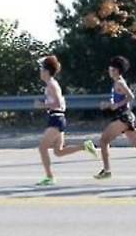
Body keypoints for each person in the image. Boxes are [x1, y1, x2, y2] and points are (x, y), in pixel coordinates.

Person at [34, 56, 97, 186]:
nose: (40, 72)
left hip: (56, 118)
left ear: (46, 71)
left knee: (42, 148)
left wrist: (42, 106)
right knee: (58, 151)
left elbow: (57, 102)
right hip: (58, 118)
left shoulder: (51, 84)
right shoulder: (51, 84)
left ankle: (49, 177)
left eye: (41, 69)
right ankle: (85, 146)